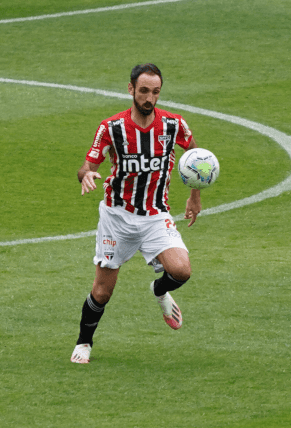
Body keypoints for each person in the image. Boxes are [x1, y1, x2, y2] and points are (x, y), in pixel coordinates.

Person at [71, 63, 203, 364]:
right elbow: (86, 166)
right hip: (117, 218)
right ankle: (84, 342)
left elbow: (196, 158)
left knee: (181, 270)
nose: (149, 98)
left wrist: (195, 197)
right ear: (131, 89)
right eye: (144, 91)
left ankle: (159, 288)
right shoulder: (111, 128)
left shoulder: (173, 125)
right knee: (102, 292)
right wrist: (87, 175)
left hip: (156, 215)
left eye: (155, 92)